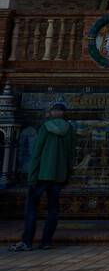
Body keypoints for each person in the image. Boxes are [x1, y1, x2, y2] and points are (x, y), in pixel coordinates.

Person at [9, 102, 76, 251]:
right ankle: (46, 242)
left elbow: (36, 153)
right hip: (58, 177)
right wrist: (67, 175)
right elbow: (71, 156)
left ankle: (27, 242)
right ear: (63, 113)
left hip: (41, 175)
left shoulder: (45, 127)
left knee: (31, 208)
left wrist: (31, 176)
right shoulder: (70, 130)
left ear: (52, 112)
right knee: (53, 209)